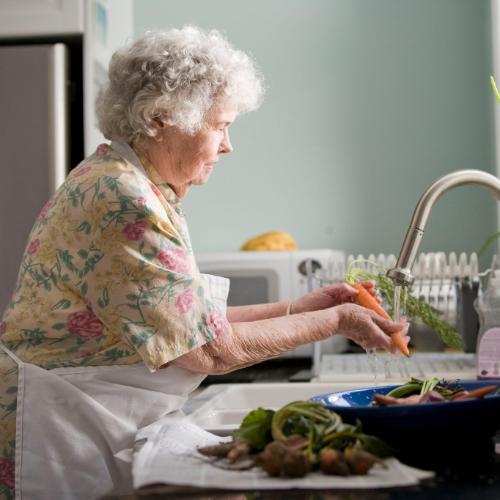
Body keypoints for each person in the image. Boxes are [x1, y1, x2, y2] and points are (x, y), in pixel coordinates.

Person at [0, 26, 408, 499]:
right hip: (59, 433)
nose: (228, 144)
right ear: (161, 118)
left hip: (86, 417)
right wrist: (336, 320)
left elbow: (187, 324)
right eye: (220, 126)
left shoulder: (130, 185)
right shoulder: (121, 199)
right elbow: (209, 350)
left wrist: (303, 308)